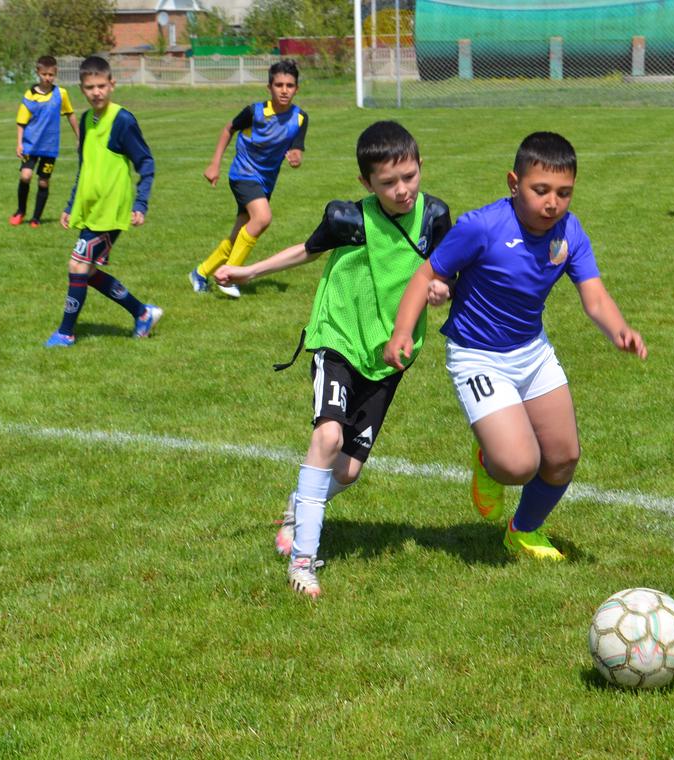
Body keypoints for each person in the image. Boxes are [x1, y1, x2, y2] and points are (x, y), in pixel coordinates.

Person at [383, 132, 647, 562]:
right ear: (513, 182)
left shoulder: (569, 231)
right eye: (540, 190)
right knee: (517, 465)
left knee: (563, 457)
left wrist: (619, 330)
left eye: (564, 193)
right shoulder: (481, 227)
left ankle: (523, 531)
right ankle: (490, 455)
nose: (552, 203)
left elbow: (595, 298)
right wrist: (401, 333)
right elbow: (425, 274)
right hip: (477, 355)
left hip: (532, 351)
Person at [215, 121, 452, 598]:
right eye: (388, 183)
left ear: (421, 166)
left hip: (390, 354)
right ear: (366, 183)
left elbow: (446, 269)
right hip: (339, 338)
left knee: (347, 471)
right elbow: (305, 250)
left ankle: (297, 506)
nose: (402, 190)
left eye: (409, 176)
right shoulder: (349, 219)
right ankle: (303, 561)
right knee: (327, 434)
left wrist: (443, 289)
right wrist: (249, 269)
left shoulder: (435, 218)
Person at [44, 56, 161, 348]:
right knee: (89, 271)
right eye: (89, 87)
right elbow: (85, 167)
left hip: (112, 211)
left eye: (101, 86)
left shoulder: (122, 120)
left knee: (77, 265)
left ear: (112, 84)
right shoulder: (85, 120)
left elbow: (145, 163)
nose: (96, 92)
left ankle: (66, 333)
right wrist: (72, 204)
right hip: (91, 209)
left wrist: (140, 204)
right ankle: (142, 313)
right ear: (82, 89)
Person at [189, 59, 308, 299]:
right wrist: (214, 164)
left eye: (290, 85)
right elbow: (228, 129)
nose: (284, 90)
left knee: (240, 234)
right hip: (243, 174)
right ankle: (229, 275)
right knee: (262, 218)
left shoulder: (300, 118)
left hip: (265, 182)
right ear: (269, 87)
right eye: (279, 85)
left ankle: (200, 272)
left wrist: (296, 158)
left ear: (297, 89)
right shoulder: (254, 112)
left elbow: (297, 150)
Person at [10, 55, 80, 228]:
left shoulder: (61, 94)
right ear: (38, 73)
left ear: (55, 73)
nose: (47, 78)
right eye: (44, 74)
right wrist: (19, 143)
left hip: (49, 146)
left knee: (43, 181)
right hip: (30, 144)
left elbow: (70, 114)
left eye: (51, 75)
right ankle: (20, 211)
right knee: (25, 176)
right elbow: (21, 122)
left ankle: (36, 218)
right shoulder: (30, 95)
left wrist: (79, 136)